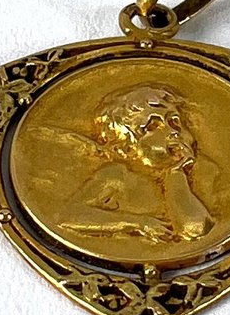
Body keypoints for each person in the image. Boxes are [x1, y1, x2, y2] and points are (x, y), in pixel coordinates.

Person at [58, 84, 215, 243]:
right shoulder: (117, 175)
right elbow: (69, 216)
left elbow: (196, 230)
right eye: (152, 127)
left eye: (173, 121)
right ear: (126, 148)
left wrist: (176, 174)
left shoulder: (205, 170)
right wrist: (137, 223)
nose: (173, 131)